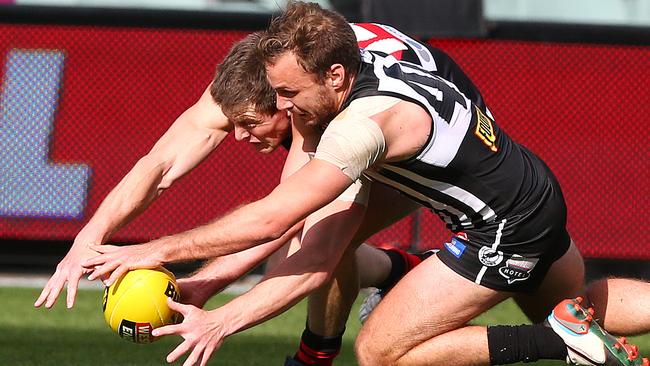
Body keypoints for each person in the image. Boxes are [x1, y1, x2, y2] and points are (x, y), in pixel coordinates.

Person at [80, 3, 650, 366]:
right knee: (576, 303)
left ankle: (562, 343)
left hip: (502, 228)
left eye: (288, 94)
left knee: (379, 350)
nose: (282, 108)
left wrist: (159, 255)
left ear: (333, 75)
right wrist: (209, 287)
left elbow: (282, 226)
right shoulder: (363, 69)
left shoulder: (359, 128)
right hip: (528, 191)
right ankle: (558, 324)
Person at [33, 30, 428, 364]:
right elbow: (160, 164)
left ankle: (315, 356)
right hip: (385, 106)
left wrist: (195, 277)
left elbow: (280, 220)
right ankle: (400, 267)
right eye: (234, 122)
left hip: (424, 151)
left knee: (318, 239)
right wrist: (89, 238)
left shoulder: (320, 110)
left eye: (251, 123)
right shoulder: (260, 71)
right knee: (302, 245)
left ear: (286, 102)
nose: (239, 136)